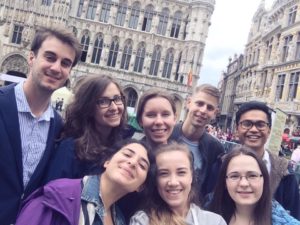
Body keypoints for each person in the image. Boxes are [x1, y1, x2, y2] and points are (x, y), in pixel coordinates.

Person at [0, 25, 81, 225]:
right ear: (31, 58)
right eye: (50, 57)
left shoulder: (58, 126)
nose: (56, 68)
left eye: (65, 63)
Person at [15, 139, 153, 225]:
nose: (133, 162)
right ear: (107, 162)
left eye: (142, 165)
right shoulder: (57, 195)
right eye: (127, 154)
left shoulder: (121, 221)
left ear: (140, 186)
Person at [45, 74, 128, 181]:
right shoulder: (71, 149)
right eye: (103, 101)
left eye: (117, 99)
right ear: (88, 107)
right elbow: (53, 192)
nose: (114, 107)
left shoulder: (123, 145)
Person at [129, 142, 227, 225]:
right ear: (155, 180)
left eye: (181, 173)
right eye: (164, 174)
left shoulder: (215, 221)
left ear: (192, 176)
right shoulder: (142, 221)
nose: (173, 182)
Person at [119, 88, 178, 222]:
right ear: (140, 120)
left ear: (175, 118)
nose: (158, 121)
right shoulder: (127, 155)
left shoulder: (183, 159)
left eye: (165, 114)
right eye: (151, 115)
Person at [235, 101, 300, 219]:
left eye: (260, 124)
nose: (254, 129)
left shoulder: (285, 172)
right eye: (247, 124)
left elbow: (294, 216)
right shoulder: (221, 165)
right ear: (237, 129)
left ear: (269, 130)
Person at [210, 145, 300, 225]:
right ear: (225, 181)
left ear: (264, 180)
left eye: (252, 175)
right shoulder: (208, 216)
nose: (244, 183)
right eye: (234, 176)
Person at [170, 84, 225, 200]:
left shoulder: (215, 149)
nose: (203, 110)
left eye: (210, 108)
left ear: (215, 113)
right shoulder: (166, 135)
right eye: (199, 104)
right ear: (188, 103)